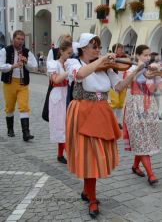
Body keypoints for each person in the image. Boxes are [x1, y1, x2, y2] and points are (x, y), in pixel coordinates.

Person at [65, 33, 124, 218]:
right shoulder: (74, 63)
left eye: (99, 47)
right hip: (82, 112)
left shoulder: (105, 67)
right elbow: (81, 75)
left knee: (95, 155)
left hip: (101, 111)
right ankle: (92, 199)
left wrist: (136, 70)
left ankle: (86, 191)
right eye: (94, 47)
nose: (98, 50)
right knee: (89, 156)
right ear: (83, 48)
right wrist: (102, 61)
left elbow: (120, 87)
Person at [120, 45, 162, 186]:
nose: (147, 58)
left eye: (149, 55)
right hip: (134, 105)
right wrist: (142, 70)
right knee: (142, 139)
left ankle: (135, 166)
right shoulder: (131, 70)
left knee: (144, 139)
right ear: (137, 56)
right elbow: (127, 84)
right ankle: (151, 174)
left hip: (150, 106)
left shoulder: (153, 71)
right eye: (144, 55)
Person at [0, 30, 37, 141]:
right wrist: (12, 66)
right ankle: (10, 129)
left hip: (23, 83)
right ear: (13, 39)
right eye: (18, 39)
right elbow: (1, 66)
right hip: (9, 83)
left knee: (24, 107)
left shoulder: (27, 52)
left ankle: (26, 133)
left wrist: (26, 62)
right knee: (10, 107)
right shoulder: (5, 50)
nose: (20, 41)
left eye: (22, 39)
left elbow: (34, 66)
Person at [47, 40, 73, 164]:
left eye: (71, 53)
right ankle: (70, 156)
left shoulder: (68, 64)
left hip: (67, 94)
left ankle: (59, 154)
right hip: (57, 95)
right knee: (60, 126)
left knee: (65, 126)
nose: (70, 55)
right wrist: (69, 71)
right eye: (68, 53)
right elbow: (56, 80)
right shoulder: (53, 64)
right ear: (61, 51)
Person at [108, 43, 128, 127]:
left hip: (123, 83)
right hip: (113, 84)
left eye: (122, 49)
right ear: (115, 50)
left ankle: (118, 121)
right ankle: (111, 120)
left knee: (120, 104)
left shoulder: (124, 59)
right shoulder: (110, 59)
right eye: (120, 49)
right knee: (115, 103)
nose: (122, 51)